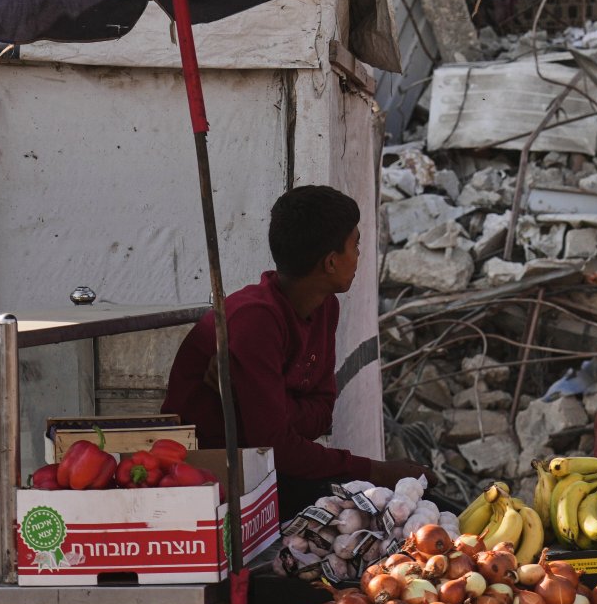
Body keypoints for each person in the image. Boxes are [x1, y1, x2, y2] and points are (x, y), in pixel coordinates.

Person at [163, 185, 423, 513]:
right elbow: (279, 448)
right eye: (355, 245)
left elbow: (322, 412)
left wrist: (262, 403)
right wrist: (376, 470)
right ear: (330, 262)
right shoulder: (254, 320)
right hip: (209, 481)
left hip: (268, 469)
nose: (359, 256)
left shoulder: (325, 307)